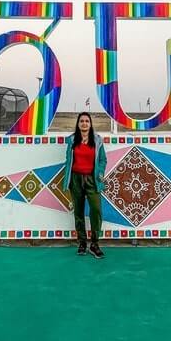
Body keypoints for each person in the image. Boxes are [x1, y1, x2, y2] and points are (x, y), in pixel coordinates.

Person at [63, 111, 107, 258]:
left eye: (87, 121)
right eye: (81, 121)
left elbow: (102, 160)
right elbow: (68, 161)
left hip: (92, 180)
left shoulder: (97, 140)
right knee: (78, 212)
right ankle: (82, 242)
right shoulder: (71, 140)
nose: (84, 123)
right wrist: (67, 179)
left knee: (96, 211)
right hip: (75, 180)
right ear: (78, 124)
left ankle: (94, 244)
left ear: (90, 124)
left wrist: (100, 172)